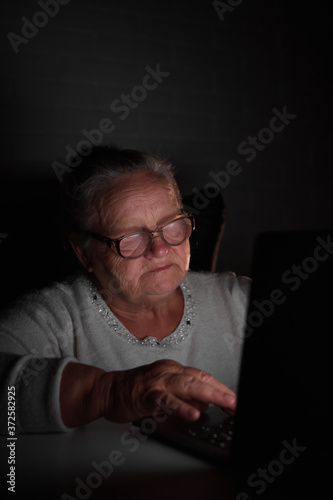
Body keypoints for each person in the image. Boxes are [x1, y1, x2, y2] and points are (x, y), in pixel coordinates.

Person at [0, 146, 250, 434]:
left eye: (171, 224)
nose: (160, 248)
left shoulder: (240, 299)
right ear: (84, 253)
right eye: (130, 236)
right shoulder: (52, 319)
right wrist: (106, 392)